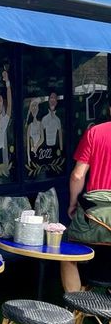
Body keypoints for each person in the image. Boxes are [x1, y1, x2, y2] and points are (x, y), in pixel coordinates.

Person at [60, 96, 111, 293]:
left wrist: (73, 203)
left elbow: (77, 175)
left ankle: (77, 308)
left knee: (68, 253)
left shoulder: (95, 133)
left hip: (94, 216)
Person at [26, 98, 44, 164]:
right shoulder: (29, 126)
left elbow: (42, 138)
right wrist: (28, 158)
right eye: (32, 106)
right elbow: (28, 144)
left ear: (38, 108)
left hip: (41, 152)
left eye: (35, 105)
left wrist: (36, 147)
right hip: (32, 153)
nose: (34, 108)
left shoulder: (40, 124)